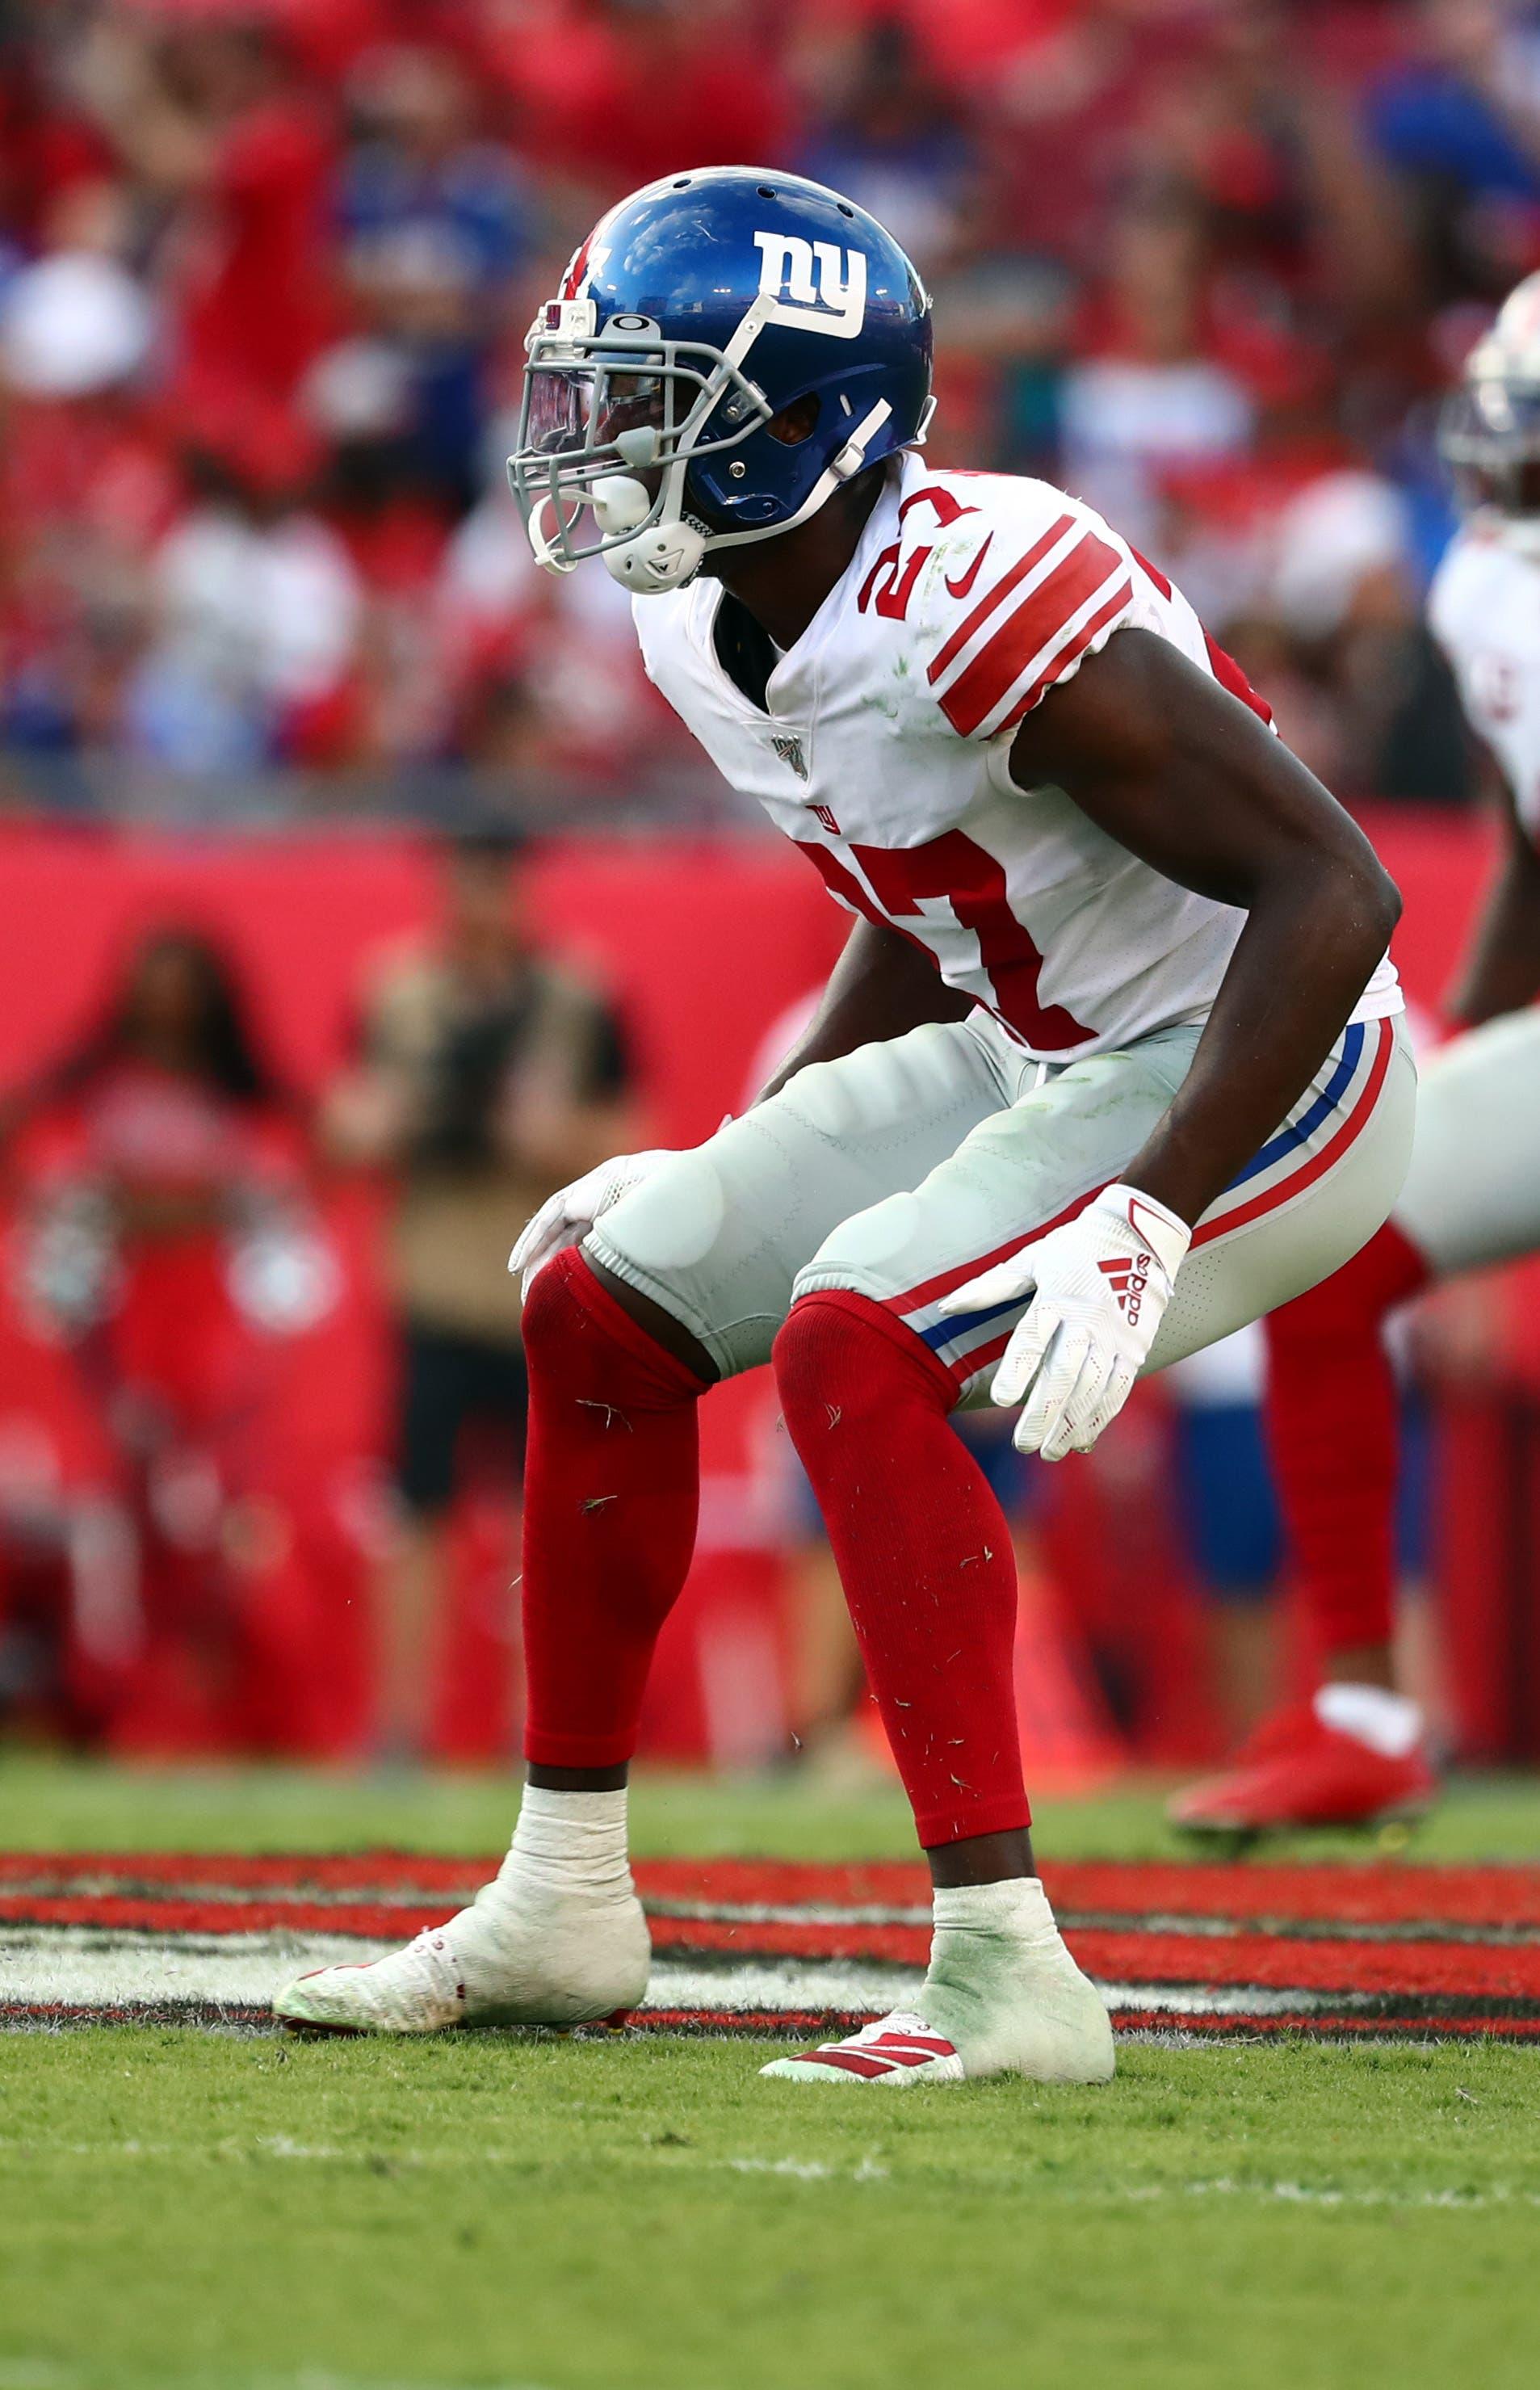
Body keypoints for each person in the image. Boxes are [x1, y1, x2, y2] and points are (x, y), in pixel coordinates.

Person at [275, 168, 1409, 2085]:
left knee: (854, 1337)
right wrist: (759, 1135)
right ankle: (561, 1898)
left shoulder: (977, 584)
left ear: (800, 416)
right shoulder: (708, 622)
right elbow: (925, 905)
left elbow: (1335, 888)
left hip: (1270, 1061)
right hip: (1036, 1038)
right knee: (601, 1303)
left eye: (649, 392)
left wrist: (1143, 1211)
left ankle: (1006, 1968)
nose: (600, 434)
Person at [1173, 269, 1540, 1838]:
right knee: (1331, 1247)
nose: (1498, 466)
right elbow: (1527, 833)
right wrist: (1462, 1033)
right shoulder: (1477, 585)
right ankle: (1358, 1713)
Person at [320, 830, 637, 1761]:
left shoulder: (576, 997)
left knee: (540, 1519)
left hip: (541, 1287)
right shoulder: (398, 991)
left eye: (496, 884)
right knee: (416, 1508)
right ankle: (399, 1729)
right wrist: (405, 1116)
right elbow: (342, 1124)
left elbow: (636, 1134)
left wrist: (544, 1135)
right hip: (434, 1280)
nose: (480, 904)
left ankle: (531, 1729)